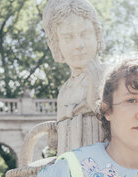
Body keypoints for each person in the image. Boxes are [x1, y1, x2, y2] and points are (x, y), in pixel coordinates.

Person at [42, 0, 105, 154]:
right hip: (69, 168)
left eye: (85, 34)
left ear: (97, 35)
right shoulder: (65, 90)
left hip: (101, 167)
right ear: (55, 44)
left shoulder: (110, 76)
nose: (79, 44)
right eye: (68, 37)